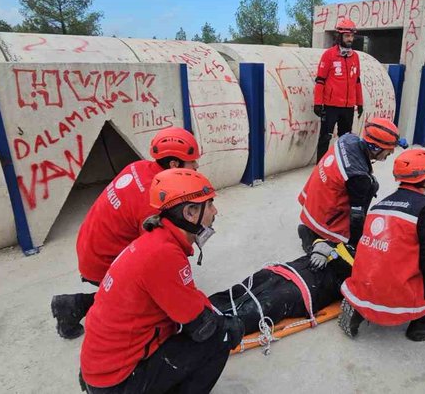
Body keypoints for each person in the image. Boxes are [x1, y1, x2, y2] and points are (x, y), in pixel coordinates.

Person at [80, 169, 243, 393]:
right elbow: (200, 327)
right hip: (117, 382)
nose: (215, 211)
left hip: (100, 371)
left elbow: (186, 295)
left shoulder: (154, 241)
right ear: (190, 212)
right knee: (221, 335)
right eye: (210, 204)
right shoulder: (164, 255)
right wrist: (228, 324)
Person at [51, 127, 201, 339]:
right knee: (153, 300)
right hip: (102, 262)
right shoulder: (153, 201)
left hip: (90, 247)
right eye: (192, 162)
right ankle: (74, 305)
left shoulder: (140, 166)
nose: (196, 166)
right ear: (174, 165)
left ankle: (79, 302)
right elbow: (157, 255)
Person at [338, 148, 425, 342]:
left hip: (364, 286)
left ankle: (359, 306)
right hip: (396, 296)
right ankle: (423, 324)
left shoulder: (379, 206)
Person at [297, 117, 406, 254]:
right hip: (325, 218)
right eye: (388, 149)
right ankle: (319, 237)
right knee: (370, 187)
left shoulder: (347, 139)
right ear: (375, 148)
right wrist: (356, 243)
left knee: (369, 184)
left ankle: (311, 229)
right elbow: (356, 216)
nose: (391, 153)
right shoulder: (358, 177)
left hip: (313, 203)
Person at [209, 240, 356, 335]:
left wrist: (335, 257)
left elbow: (356, 289)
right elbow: (316, 239)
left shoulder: (361, 271)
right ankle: (201, 311)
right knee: (245, 287)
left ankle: (213, 331)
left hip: (302, 290)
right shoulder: (345, 244)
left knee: (264, 304)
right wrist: (320, 247)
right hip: (282, 271)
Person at [313, 17, 364, 162]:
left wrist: (359, 103)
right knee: (325, 137)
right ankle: (320, 166)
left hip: (348, 107)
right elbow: (320, 80)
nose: (350, 39)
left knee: (346, 139)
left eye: (352, 36)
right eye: (347, 36)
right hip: (331, 106)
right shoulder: (329, 55)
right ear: (340, 36)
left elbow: (357, 81)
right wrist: (318, 103)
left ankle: (343, 166)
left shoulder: (355, 57)